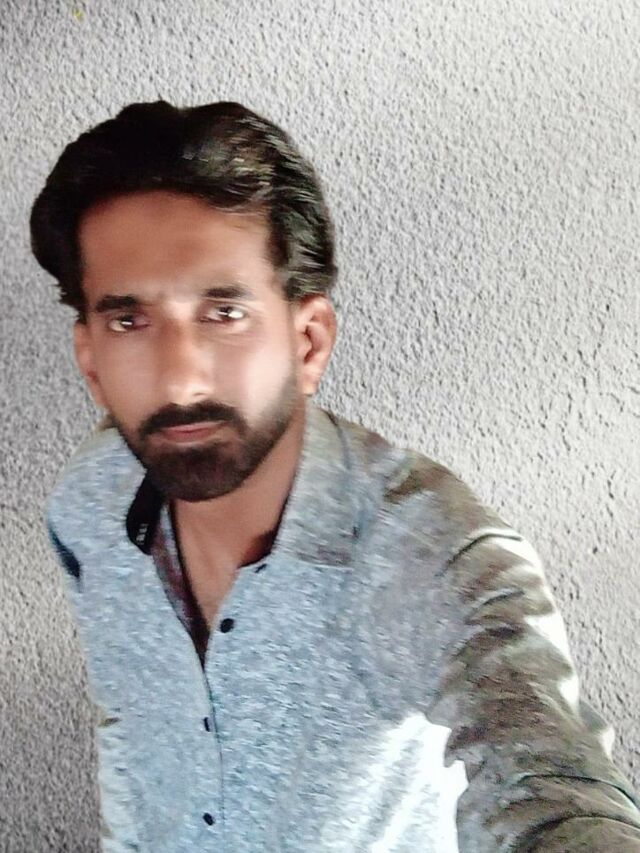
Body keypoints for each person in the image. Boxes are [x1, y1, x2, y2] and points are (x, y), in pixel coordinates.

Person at [31, 100, 640, 852]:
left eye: (224, 313)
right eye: (129, 321)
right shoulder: (88, 503)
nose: (180, 378)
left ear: (309, 341)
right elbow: (130, 729)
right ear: (90, 359)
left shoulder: (429, 554)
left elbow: (548, 780)